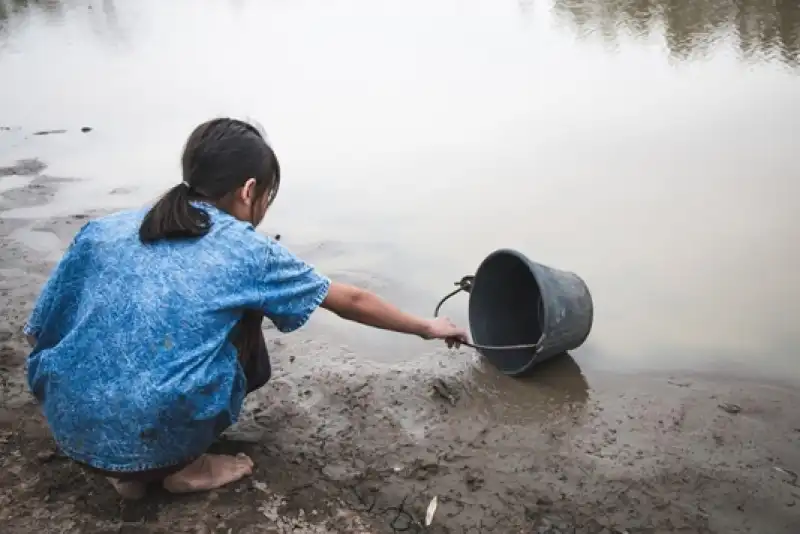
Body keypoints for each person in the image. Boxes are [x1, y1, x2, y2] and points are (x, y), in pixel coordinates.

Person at [24, 117, 468, 500]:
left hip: (72, 430)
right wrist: (427, 327)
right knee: (250, 311)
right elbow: (350, 301)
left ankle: (126, 469)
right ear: (249, 190)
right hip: (155, 436)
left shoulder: (103, 229)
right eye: (266, 197)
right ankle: (184, 466)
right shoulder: (246, 251)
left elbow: (39, 329)